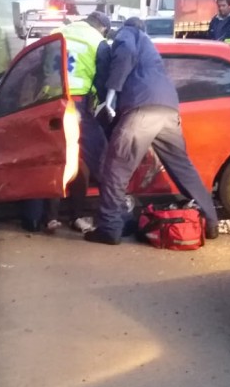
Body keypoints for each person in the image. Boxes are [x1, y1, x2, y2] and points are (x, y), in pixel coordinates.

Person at [85, 17, 220, 245]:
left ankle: (109, 228)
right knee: (182, 167)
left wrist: (110, 95)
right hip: (168, 110)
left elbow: (125, 51)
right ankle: (211, 220)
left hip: (142, 110)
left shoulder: (129, 34)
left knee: (114, 168)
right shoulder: (150, 49)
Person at [41, 11, 111, 233]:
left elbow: (41, 67)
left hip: (50, 103)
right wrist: (102, 105)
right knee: (92, 157)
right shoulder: (98, 41)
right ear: (102, 27)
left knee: (56, 157)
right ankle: (80, 215)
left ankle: (50, 217)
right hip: (78, 104)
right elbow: (103, 80)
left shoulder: (57, 32)